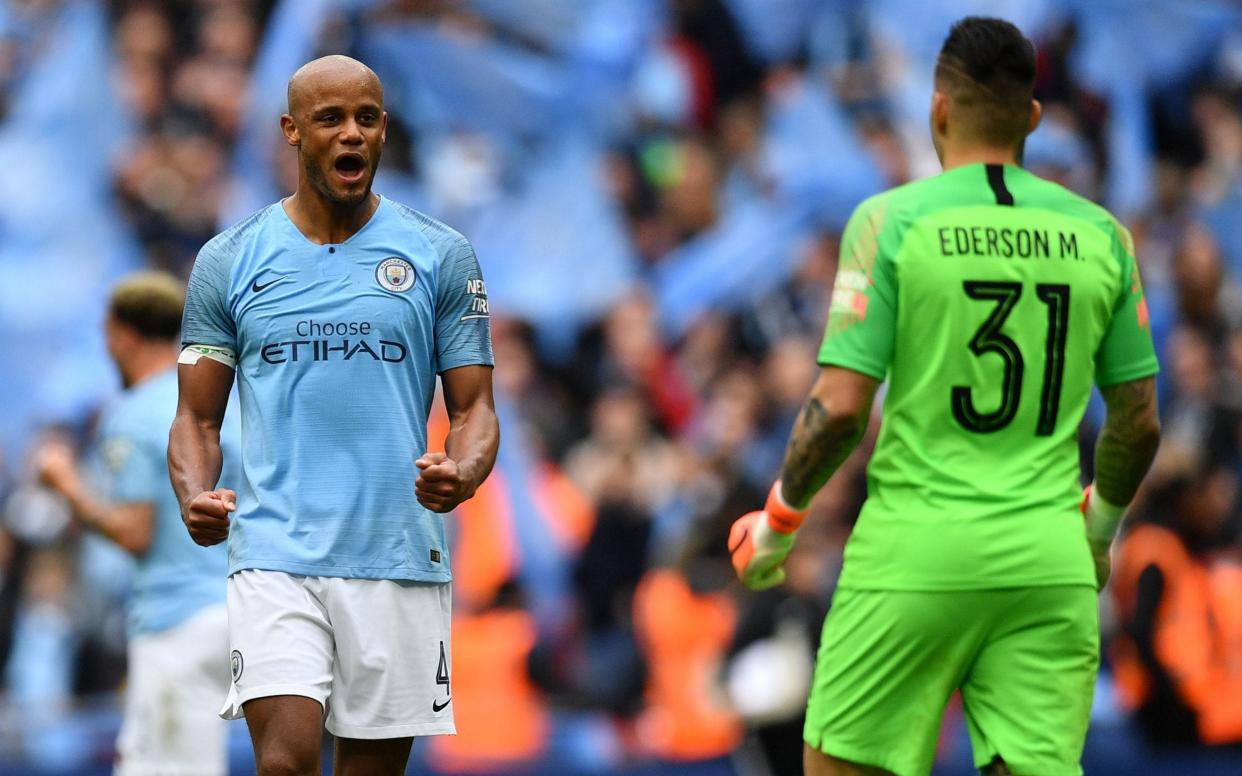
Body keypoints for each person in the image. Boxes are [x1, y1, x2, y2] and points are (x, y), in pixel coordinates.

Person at [728, 17, 1161, 776]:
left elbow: (837, 411)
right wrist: (1097, 532)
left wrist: (779, 521)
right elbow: (1139, 420)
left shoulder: (889, 222)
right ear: (1031, 117)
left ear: (937, 110)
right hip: (1047, 563)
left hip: (915, 554)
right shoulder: (1104, 236)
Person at [168, 55, 498, 776]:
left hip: (398, 556)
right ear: (292, 131)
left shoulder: (441, 255)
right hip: (273, 553)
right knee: (284, 764)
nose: (352, 134)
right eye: (330, 119)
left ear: (384, 131)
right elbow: (195, 419)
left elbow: (474, 407)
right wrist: (194, 493)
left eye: (367, 118)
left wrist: (464, 470)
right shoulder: (228, 261)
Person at [36, 271, 241, 776]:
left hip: (178, 620)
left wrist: (66, 486)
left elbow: (134, 531)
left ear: (120, 335)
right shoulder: (220, 403)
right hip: (242, 607)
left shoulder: (130, 414)